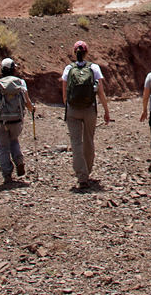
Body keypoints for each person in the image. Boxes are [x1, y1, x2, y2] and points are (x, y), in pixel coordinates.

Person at [61, 40, 110, 190]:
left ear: (74, 52)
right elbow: (100, 91)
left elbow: (64, 92)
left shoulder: (68, 68)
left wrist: (67, 106)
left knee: (76, 143)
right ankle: (87, 171)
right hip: (90, 109)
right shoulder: (94, 68)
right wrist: (106, 111)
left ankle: (82, 176)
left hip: (73, 109)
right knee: (88, 140)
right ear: (87, 52)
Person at [0, 57, 35, 184]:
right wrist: (32, 109)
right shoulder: (20, 82)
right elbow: (27, 102)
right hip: (17, 120)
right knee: (13, 140)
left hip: (1, 121)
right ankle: (19, 161)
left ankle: (7, 174)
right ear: (13, 69)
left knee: (3, 147)